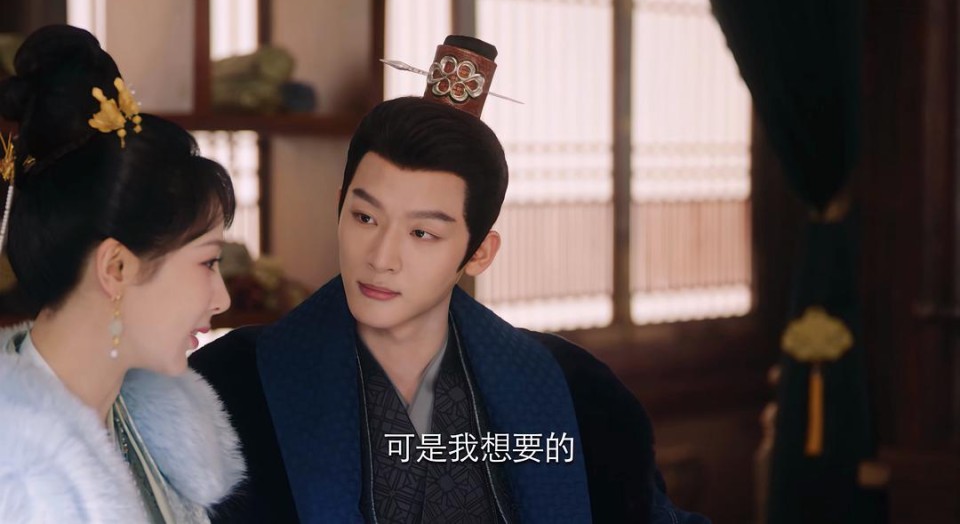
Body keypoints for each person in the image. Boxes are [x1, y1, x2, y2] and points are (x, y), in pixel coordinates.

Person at [191, 35, 708, 523]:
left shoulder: (578, 391)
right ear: (339, 206)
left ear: (479, 252)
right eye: (365, 217)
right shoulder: (231, 384)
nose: (382, 258)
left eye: (422, 233)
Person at [0, 25, 245, 522]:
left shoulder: (145, 423)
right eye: (207, 261)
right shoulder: (16, 474)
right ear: (115, 267)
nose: (221, 299)